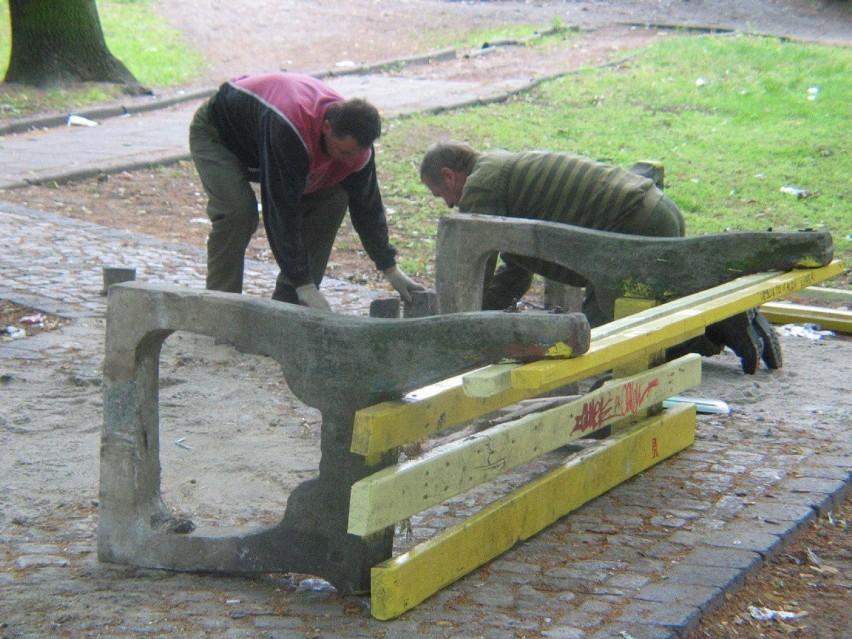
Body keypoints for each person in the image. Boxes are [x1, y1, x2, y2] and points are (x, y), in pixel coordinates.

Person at [420, 140, 781, 374]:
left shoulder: (481, 188)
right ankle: (721, 318)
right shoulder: (499, 166)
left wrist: (457, 335)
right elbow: (516, 271)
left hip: (634, 221)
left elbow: (472, 271)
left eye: (442, 194)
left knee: (605, 343)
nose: (450, 205)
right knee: (634, 319)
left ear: (450, 175)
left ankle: (719, 325)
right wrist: (486, 319)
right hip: (653, 209)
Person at [189, 72, 423, 311]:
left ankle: (288, 307)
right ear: (327, 127)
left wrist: (389, 268)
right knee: (237, 212)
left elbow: (367, 207)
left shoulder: (356, 151)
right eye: (343, 152)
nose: (349, 161)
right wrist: (305, 283)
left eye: (355, 155)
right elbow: (281, 211)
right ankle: (220, 307)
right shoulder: (290, 128)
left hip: (269, 146)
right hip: (220, 136)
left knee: (335, 198)